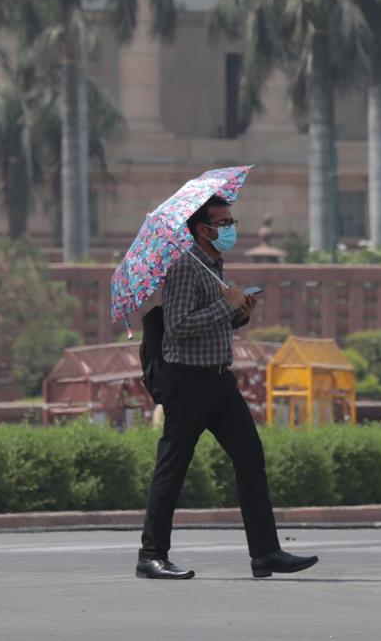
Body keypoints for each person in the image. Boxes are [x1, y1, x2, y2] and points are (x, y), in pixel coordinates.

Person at [136, 194, 319, 582]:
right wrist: (226, 306)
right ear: (202, 229)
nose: (230, 229)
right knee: (172, 469)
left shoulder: (213, 265)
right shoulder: (186, 266)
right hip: (188, 381)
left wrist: (239, 313)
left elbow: (211, 325)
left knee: (250, 458)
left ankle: (266, 553)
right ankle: (151, 555)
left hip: (219, 379)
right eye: (223, 223)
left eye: (231, 222)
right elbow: (178, 325)